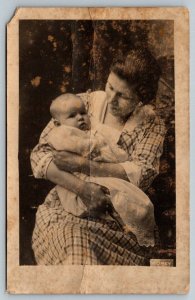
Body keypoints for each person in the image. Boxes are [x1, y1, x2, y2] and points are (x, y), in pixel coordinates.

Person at [30, 48, 166, 265]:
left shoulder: (151, 123)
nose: (112, 99)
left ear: (141, 99)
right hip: (69, 206)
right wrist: (82, 188)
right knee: (74, 243)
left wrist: (83, 164)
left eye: (123, 96)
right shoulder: (82, 104)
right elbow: (40, 155)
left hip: (119, 216)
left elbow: (143, 173)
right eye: (110, 87)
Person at [47, 93, 156, 246]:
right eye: (72, 115)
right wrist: (97, 148)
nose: (80, 118)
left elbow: (120, 156)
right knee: (115, 198)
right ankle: (119, 222)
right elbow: (78, 147)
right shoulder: (62, 133)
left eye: (83, 113)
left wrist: (110, 153)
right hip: (77, 181)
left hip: (99, 176)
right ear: (58, 123)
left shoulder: (92, 132)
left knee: (135, 201)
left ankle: (129, 225)